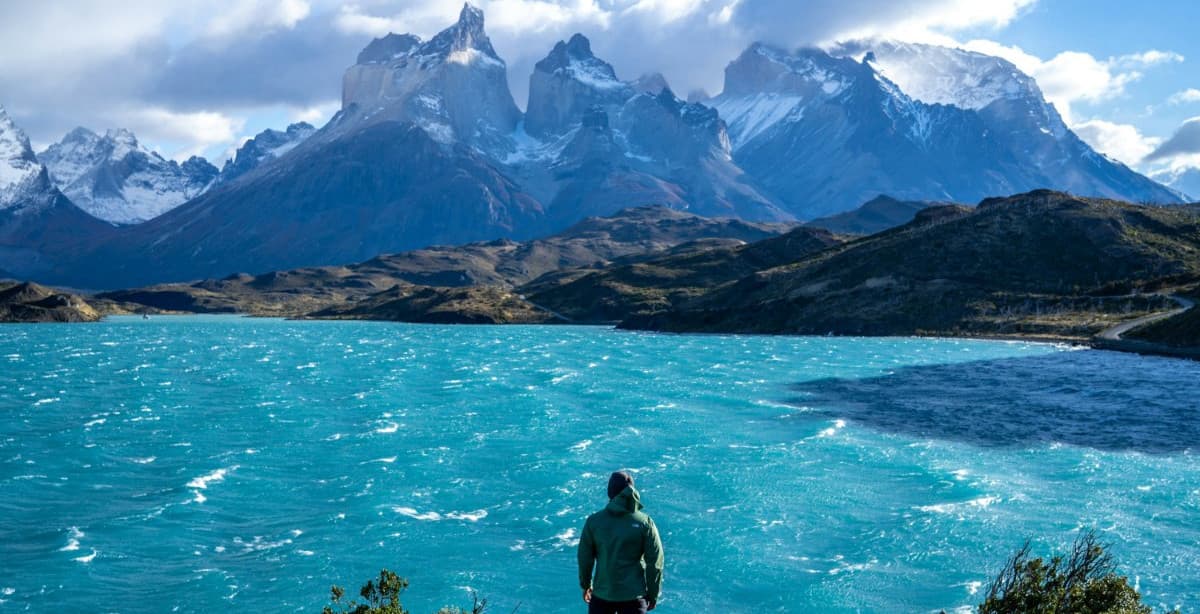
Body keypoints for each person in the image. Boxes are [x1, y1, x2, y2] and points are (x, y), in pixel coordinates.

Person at [577, 471, 664, 613]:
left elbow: (584, 558)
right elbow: (655, 563)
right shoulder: (645, 523)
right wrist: (653, 594)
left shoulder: (594, 522)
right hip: (634, 598)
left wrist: (586, 585)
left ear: (610, 492)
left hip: (602, 596)